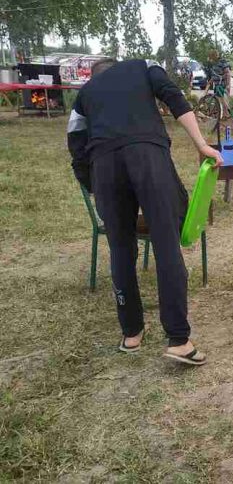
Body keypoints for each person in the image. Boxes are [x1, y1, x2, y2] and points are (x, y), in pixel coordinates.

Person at [67, 58, 223, 366]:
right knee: (166, 244)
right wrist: (202, 145)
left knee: (121, 249)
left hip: (104, 166)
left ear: (96, 75)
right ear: (117, 66)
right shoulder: (142, 66)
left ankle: (131, 334)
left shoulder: (84, 94)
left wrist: (97, 186)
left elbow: (75, 147)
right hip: (147, 155)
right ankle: (178, 339)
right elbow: (173, 96)